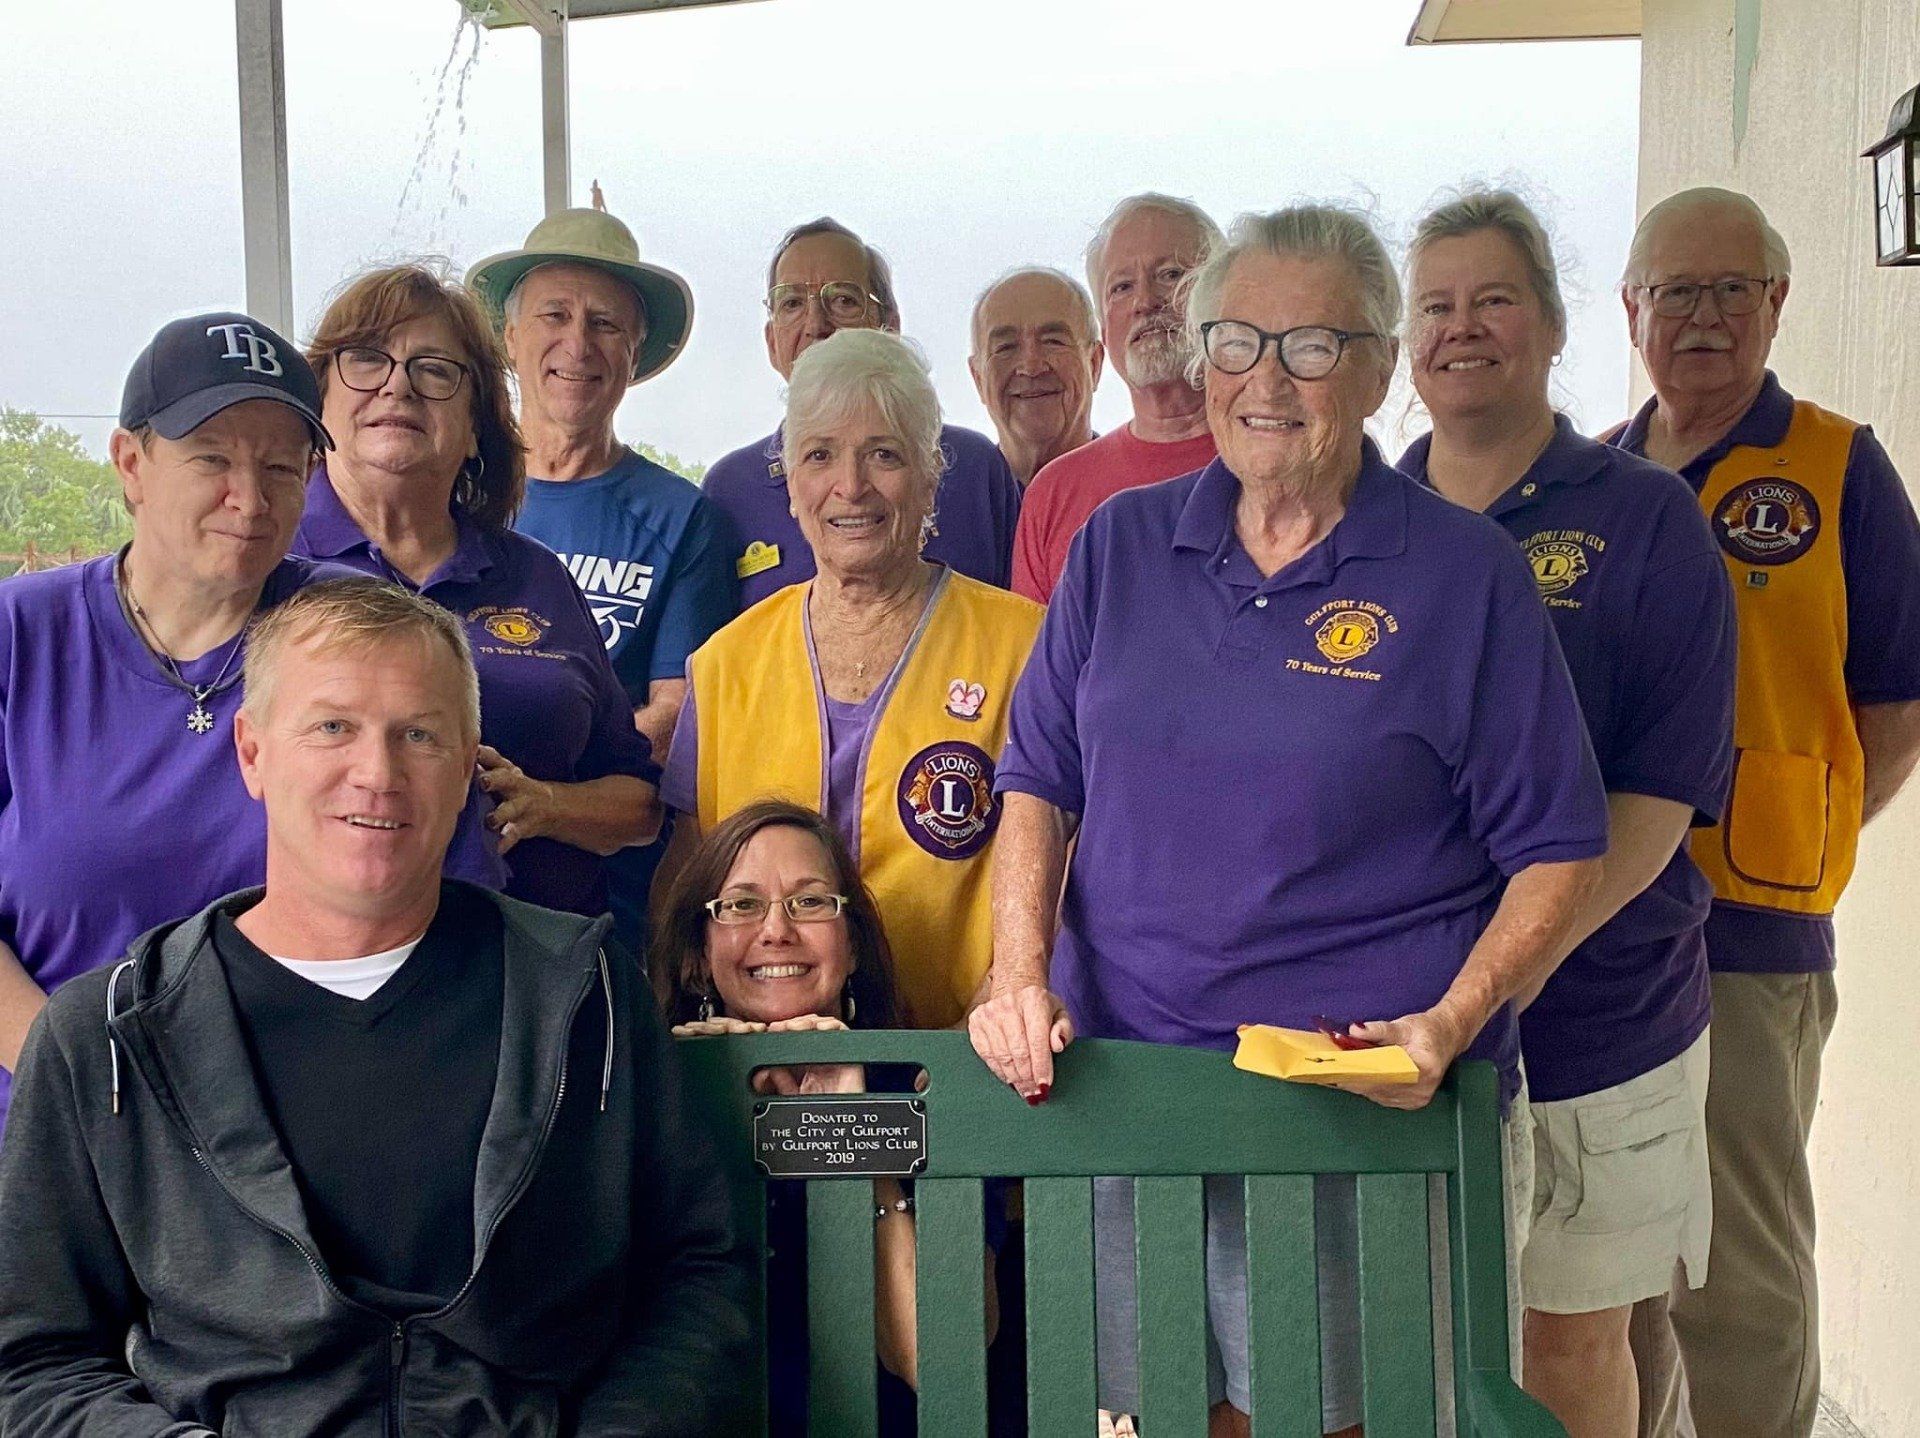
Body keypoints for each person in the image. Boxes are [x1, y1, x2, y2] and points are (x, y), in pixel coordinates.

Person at [968, 205, 1608, 1438]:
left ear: (1376, 370)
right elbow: (1039, 778)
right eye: (1236, 339)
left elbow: (1557, 847)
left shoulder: (1464, 575)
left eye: (1310, 346)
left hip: (1348, 1107)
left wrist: (1450, 1023)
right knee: (1152, 1417)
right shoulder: (1118, 546)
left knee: (1344, 1423)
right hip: (1136, 1093)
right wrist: (1015, 972)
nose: (1266, 378)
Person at [0, 577, 750, 1435]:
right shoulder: (110, 1035)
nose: (378, 774)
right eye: (332, 728)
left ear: (468, 765)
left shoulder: (585, 996)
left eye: (419, 735)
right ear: (251, 753)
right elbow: (33, 1361)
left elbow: (696, 1272)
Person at [1396, 189, 1737, 1438]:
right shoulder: (1368, 523)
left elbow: (1659, 795)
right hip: (1406, 1029)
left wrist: (1516, 967)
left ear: (1548, 325)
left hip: (1604, 1018)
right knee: (1417, 1336)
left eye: (1494, 299)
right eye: (1435, 305)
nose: (1462, 328)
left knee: (1572, 1338)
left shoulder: (1646, 518)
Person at [0, 311, 501, 1136]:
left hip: (304, 1126)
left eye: (280, 466)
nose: (250, 497)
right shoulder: (21, 638)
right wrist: (87, 1071)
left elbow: (452, 888)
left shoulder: (354, 629)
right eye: (212, 459)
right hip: (56, 1123)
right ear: (132, 463)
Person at [1606, 186, 1920, 1438]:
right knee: (1619, 1264)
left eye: (1733, 289)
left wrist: (1814, 820)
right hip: (1611, 930)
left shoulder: (1841, 466)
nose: (1703, 318)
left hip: (1751, 931)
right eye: (1676, 291)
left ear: (1777, 304)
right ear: (1633, 311)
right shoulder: (1601, 476)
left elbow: (1897, 698)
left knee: (1739, 1269)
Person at [658, 329, 1044, 1031]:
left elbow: (1067, 874)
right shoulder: (724, 664)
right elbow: (689, 885)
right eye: (820, 456)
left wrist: (975, 1043)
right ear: (792, 484)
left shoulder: (1026, 648)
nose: (851, 486)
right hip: (761, 1067)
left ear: (930, 476)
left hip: (969, 1061)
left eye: (885, 455)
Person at [293, 263, 662, 920]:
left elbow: (639, 802)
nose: (397, 386)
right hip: (324, 984)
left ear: (474, 431)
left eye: (434, 370)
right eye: (367, 360)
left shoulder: (537, 577)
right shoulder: (272, 571)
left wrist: (548, 806)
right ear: (320, 403)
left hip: (539, 984)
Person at [659, 799, 1014, 1436]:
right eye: (741, 904)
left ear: (851, 952)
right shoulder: (650, 1094)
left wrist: (851, 1133)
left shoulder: (931, 1100)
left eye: (811, 901)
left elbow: (939, 1368)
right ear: (695, 957)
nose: (777, 930)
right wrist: (694, 1095)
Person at [468, 207, 737, 950]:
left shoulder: (682, 517)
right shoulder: (450, 496)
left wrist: (547, 794)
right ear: (510, 338)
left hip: (608, 902)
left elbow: (675, 714)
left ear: (634, 351)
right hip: (447, 883)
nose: (577, 345)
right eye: (554, 315)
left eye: (606, 325)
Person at [703, 218, 1023, 607]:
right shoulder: (730, 489)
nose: (816, 325)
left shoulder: (975, 469)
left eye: (843, 299)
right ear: (772, 340)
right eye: (791, 303)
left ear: (890, 326)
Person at [1011, 193, 1223, 603]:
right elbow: (1034, 662)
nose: (1146, 302)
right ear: (1104, 332)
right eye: (1122, 287)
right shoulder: (1054, 493)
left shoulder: (1279, 461)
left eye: (1172, 275)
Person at [967, 266, 1102, 485]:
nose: (1031, 366)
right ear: (978, 379)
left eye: (1053, 341)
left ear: (1095, 364)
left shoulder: (1140, 498)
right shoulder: (949, 509)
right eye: (1006, 347)